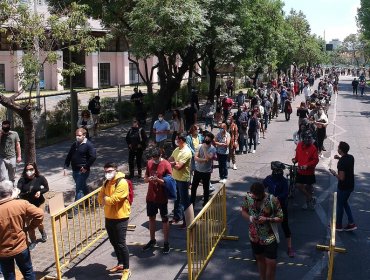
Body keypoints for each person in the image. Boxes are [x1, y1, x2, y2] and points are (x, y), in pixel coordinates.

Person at [0, 180, 44, 280]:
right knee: (28, 273)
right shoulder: (21, 204)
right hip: (21, 246)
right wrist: (30, 227)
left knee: (9, 276)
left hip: (3, 251)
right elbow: (40, 214)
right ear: (11, 192)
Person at [241, 182, 283, 280]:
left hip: (270, 237)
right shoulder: (248, 197)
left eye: (257, 198)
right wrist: (250, 218)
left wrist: (267, 219)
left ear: (262, 194)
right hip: (254, 237)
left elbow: (281, 218)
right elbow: (243, 211)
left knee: (271, 263)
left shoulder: (272, 200)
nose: (254, 200)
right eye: (253, 197)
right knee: (260, 259)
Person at [97, 163, 131, 279]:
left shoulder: (122, 182)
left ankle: (126, 269)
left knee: (121, 244)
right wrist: (106, 199)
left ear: (116, 170)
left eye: (110, 170)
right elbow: (99, 197)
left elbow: (114, 199)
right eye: (106, 171)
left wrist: (106, 199)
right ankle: (120, 264)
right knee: (114, 242)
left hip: (120, 217)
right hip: (109, 217)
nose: (108, 173)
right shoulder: (106, 182)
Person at [143, 148, 172, 254]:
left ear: (160, 155)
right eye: (153, 158)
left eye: (156, 158)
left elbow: (169, 182)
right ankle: (152, 240)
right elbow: (145, 178)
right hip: (151, 196)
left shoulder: (166, 164)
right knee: (151, 218)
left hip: (162, 197)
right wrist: (148, 179)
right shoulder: (149, 163)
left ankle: (166, 242)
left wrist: (158, 180)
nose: (154, 160)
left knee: (164, 219)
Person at [263, 162, 295, 258]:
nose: (279, 172)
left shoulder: (284, 181)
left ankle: (290, 247)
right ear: (273, 171)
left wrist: (274, 198)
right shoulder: (268, 179)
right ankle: (267, 244)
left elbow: (285, 194)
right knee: (266, 225)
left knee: (285, 226)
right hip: (269, 206)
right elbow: (262, 187)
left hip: (281, 206)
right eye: (277, 170)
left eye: (280, 170)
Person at [64, 128, 97, 216]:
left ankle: (75, 209)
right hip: (74, 170)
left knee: (79, 189)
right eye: (76, 135)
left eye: (79, 135)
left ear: (84, 135)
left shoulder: (89, 145)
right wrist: (65, 166)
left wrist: (86, 167)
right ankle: (88, 200)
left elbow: (93, 157)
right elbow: (69, 155)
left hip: (83, 171)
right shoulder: (75, 144)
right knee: (82, 186)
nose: (77, 137)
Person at [17, 163, 49, 251]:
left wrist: (40, 192)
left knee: (39, 222)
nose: (29, 171)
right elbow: (18, 191)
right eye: (27, 170)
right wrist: (22, 193)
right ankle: (33, 241)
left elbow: (46, 188)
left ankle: (42, 231)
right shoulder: (22, 180)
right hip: (27, 205)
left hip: (39, 203)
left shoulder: (40, 178)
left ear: (35, 170)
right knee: (29, 223)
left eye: (31, 169)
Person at [329, 142, 357, 231]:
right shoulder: (351, 157)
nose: (337, 148)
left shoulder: (341, 163)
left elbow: (341, 178)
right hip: (351, 185)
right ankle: (351, 223)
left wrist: (334, 173)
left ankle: (338, 225)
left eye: (338, 147)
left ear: (340, 150)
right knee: (345, 203)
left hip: (343, 187)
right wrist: (339, 158)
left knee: (340, 205)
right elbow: (346, 162)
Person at [168, 134, 193, 227]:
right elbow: (169, 159)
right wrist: (174, 162)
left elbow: (178, 167)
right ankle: (177, 217)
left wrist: (174, 163)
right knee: (176, 199)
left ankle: (187, 221)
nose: (176, 140)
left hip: (183, 179)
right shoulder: (177, 149)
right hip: (175, 178)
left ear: (182, 140)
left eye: (177, 139)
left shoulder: (186, 152)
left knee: (184, 200)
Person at [292, 131, 319, 210]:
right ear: (303, 139)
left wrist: (307, 165)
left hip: (309, 172)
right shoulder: (299, 145)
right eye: (307, 138)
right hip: (300, 171)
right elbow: (297, 156)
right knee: (298, 185)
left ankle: (308, 203)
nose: (309, 140)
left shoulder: (313, 148)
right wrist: (295, 160)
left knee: (309, 187)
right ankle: (310, 198)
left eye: (310, 138)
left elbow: (316, 160)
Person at [191, 132, 216, 207]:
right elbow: (195, 157)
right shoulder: (199, 146)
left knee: (206, 189)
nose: (207, 139)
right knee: (193, 187)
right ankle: (192, 202)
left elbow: (208, 158)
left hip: (206, 172)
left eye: (209, 138)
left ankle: (205, 203)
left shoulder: (213, 149)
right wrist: (203, 160)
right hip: (198, 170)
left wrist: (205, 149)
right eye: (206, 137)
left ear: (211, 140)